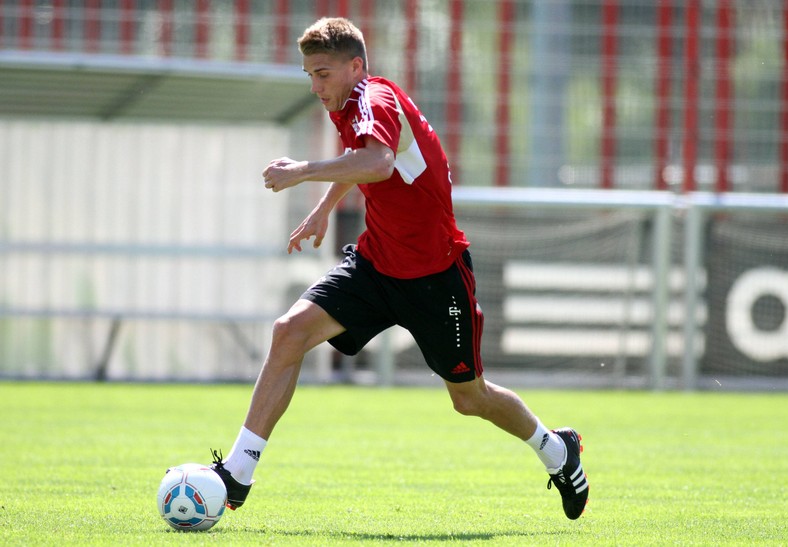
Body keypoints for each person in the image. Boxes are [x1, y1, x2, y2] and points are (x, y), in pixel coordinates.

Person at [210, 17, 589, 520]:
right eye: (309, 75)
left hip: (436, 275)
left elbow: (380, 162)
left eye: (322, 73)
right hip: (377, 263)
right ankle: (239, 471)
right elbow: (360, 160)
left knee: (471, 398)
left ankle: (557, 450)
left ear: (356, 67)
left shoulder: (375, 99)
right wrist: (324, 209)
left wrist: (302, 171)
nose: (315, 86)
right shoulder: (347, 104)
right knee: (289, 332)